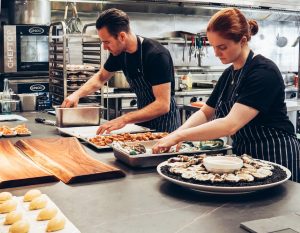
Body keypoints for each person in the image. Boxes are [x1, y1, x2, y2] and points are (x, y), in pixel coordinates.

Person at [153, 7, 300, 182]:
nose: (216, 53)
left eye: (222, 47)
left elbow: (230, 125)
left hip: (276, 153)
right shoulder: (229, 73)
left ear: (243, 40)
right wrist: (176, 134)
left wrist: (179, 136)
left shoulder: (263, 71)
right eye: (213, 47)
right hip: (246, 156)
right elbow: (206, 112)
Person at [61, 8, 180, 134]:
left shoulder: (156, 55)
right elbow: (101, 77)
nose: (104, 47)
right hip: (143, 122)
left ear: (122, 36)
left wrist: (124, 119)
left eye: (107, 42)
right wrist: (76, 95)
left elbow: (162, 105)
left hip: (165, 126)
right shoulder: (119, 53)